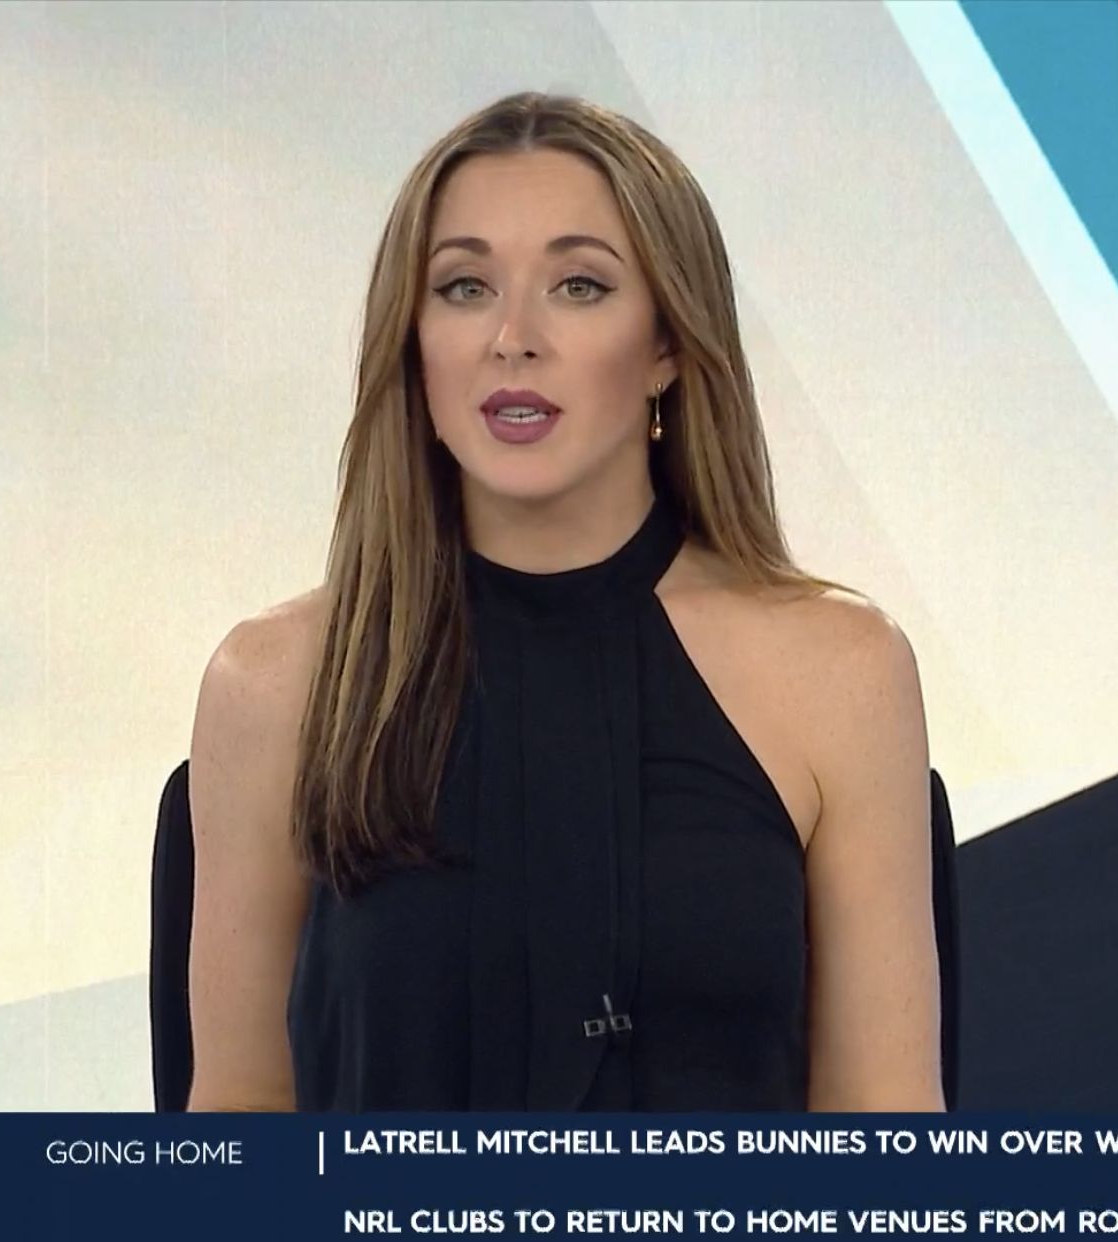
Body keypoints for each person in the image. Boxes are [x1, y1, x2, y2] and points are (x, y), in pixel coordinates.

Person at [185, 92, 940, 1112]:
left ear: (668, 345)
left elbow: (887, 1141)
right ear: (414, 343)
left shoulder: (843, 674)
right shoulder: (273, 684)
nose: (513, 338)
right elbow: (234, 1130)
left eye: (579, 285)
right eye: (464, 287)